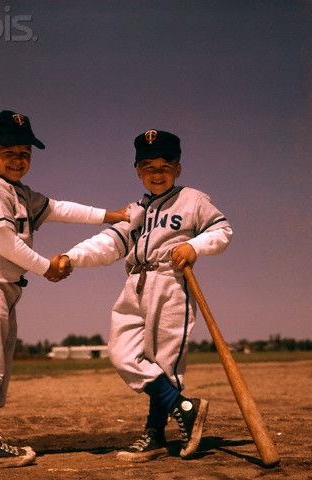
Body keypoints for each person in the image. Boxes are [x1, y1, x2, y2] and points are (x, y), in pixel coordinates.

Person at [0, 110, 128, 470]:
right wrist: (47, 267)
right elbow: (4, 242)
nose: (19, 160)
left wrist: (111, 215)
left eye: (25, 154)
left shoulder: (16, 192)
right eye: (10, 152)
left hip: (5, 289)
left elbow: (59, 208)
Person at [57, 129, 233, 462]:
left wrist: (194, 245)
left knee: (165, 362)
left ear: (178, 168)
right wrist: (72, 256)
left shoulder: (193, 199)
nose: (156, 172)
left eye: (164, 165)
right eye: (148, 166)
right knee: (122, 354)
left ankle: (153, 434)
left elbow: (222, 230)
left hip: (171, 282)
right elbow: (109, 243)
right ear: (138, 170)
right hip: (135, 281)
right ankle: (185, 408)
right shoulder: (136, 210)